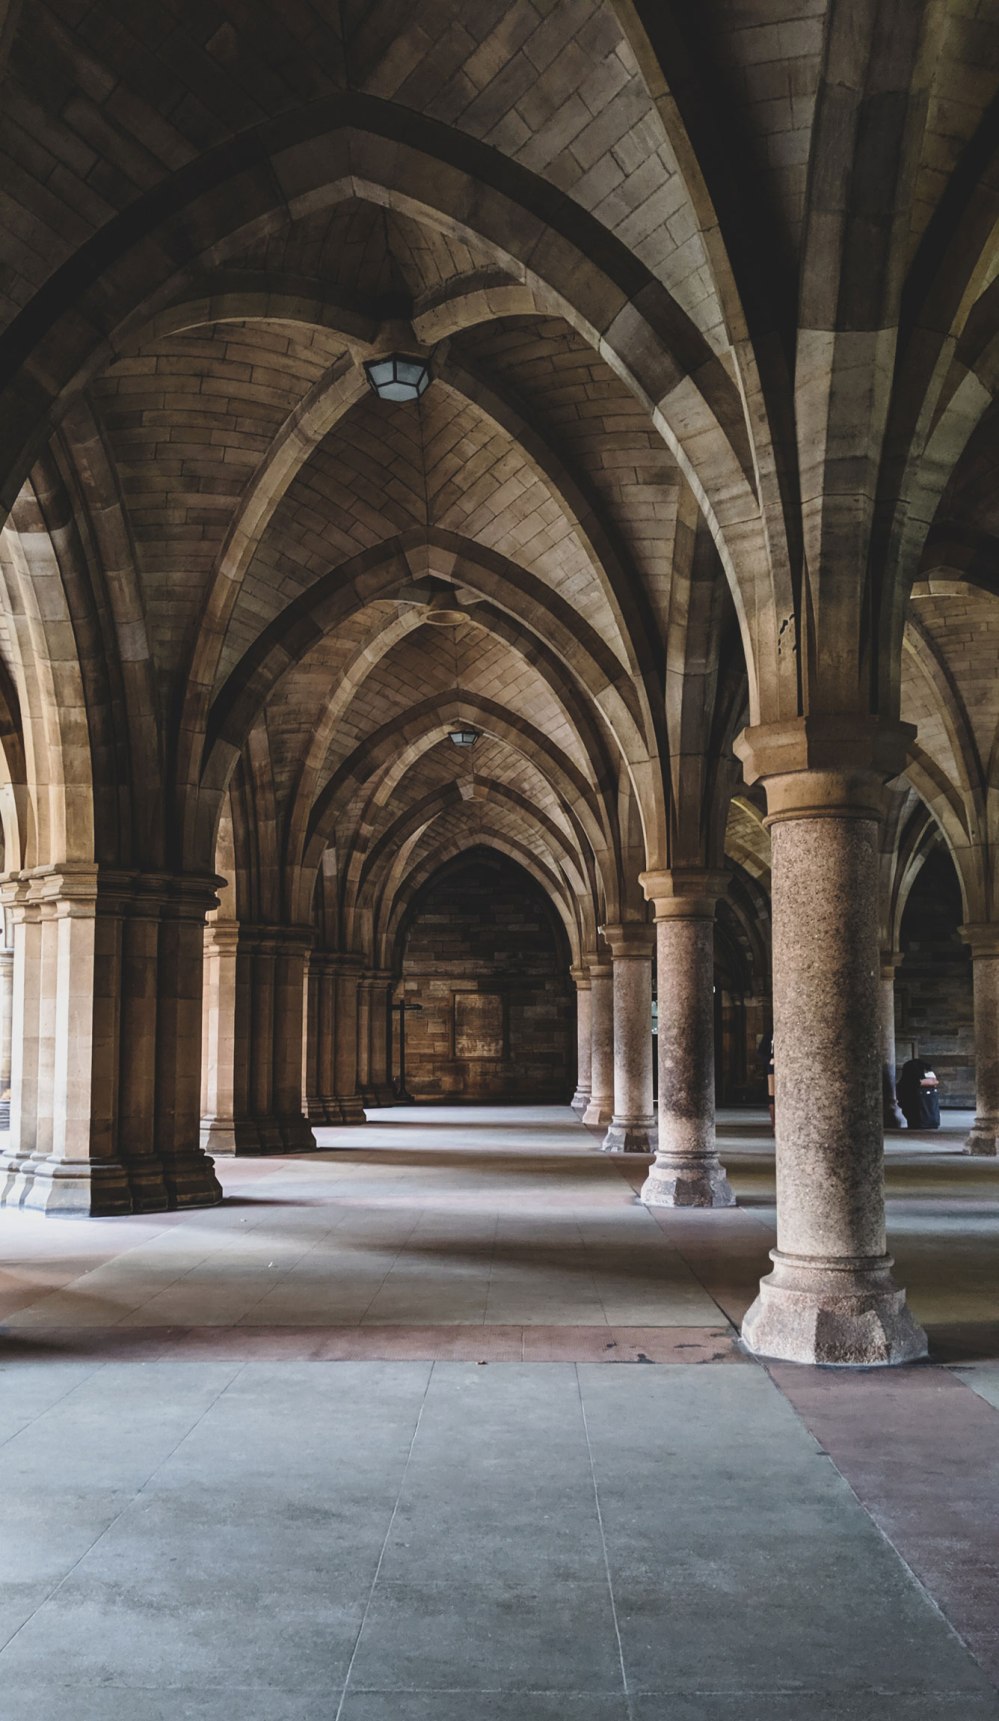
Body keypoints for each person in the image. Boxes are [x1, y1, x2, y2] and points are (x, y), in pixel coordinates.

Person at [896, 1057, 941, 1130]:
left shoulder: (905, 1083)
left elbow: (933, 1082)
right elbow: (934, 1082)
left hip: (917, 1121)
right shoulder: (909, 1083)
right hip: (930, 1120)